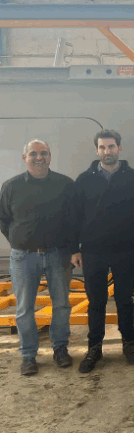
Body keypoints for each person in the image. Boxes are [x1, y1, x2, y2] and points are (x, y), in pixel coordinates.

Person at [71, 130, 134, 373]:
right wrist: (74, 249)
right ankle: (94, 347)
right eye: (103, 147)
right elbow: (74, 217)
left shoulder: (133, 179)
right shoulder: (84, 180)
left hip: (125, 249)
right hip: (93, 251)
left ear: (119, 148)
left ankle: (129, 343)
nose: (107, 151)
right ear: (97, 150)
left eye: (111, 146)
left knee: (125, 299)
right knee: (96, 301)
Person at [0, 139, 75, 376]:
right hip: (24, 257)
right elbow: (3, 219)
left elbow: (74, 219)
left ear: (50, 156)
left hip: (58, 255)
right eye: (33, 154)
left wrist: (73, 248)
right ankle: (28, 355)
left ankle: (60, 349)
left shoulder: (65, 185)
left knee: (61, 304)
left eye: (44, 153)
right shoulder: (11, 187)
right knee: (24, 308)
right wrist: (18, 240)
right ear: (25, 158)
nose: (39, 158)